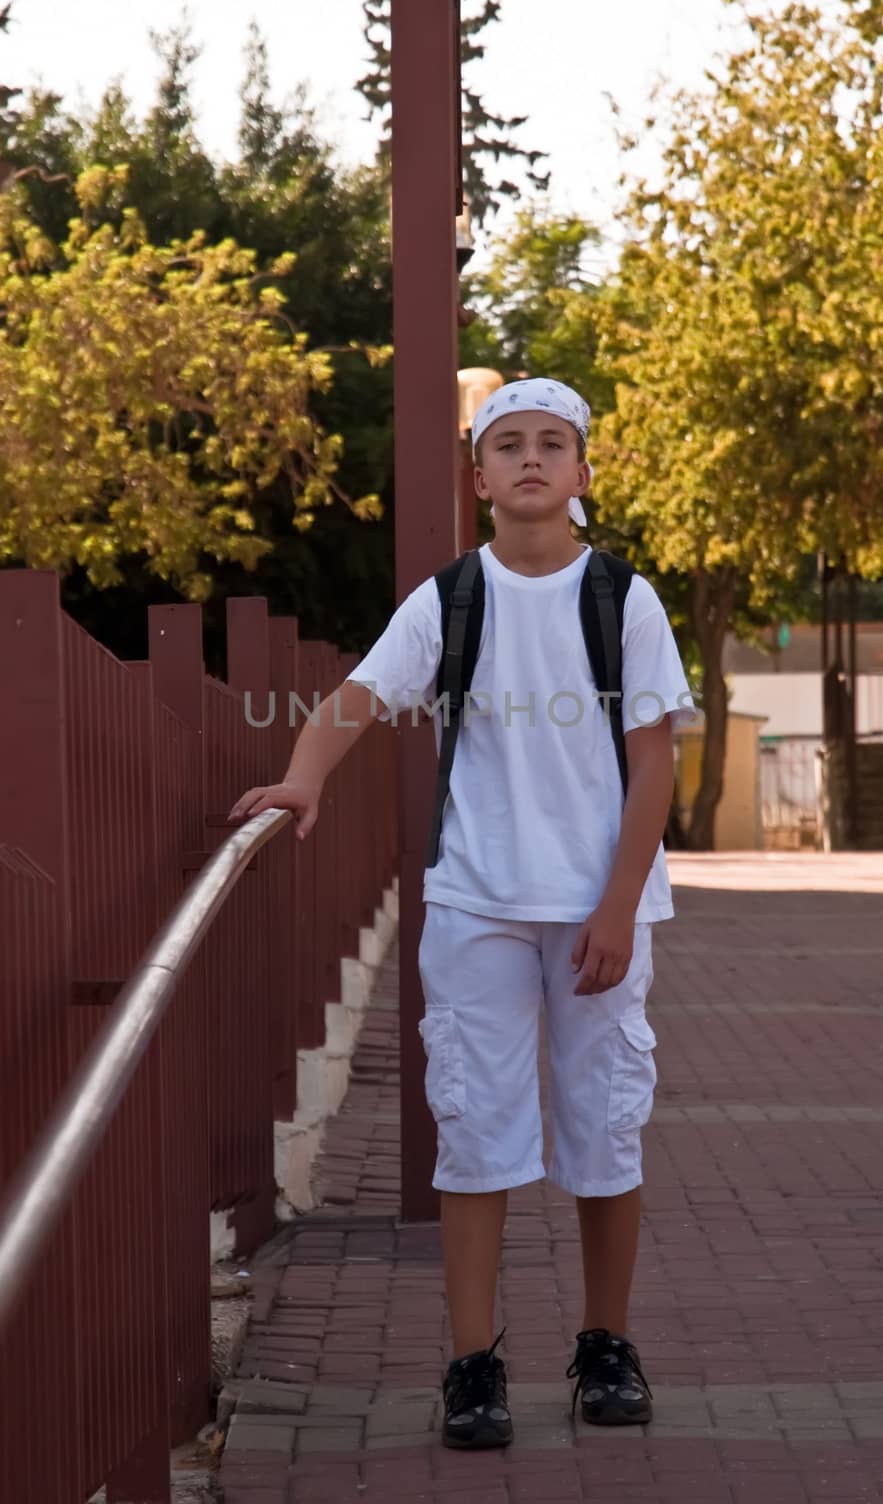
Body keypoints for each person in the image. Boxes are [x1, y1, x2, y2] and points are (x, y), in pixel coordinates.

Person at [228, 377, 696, 1451]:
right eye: (507, 445)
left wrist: (619, 904)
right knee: (475, 1132)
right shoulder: (449, 599)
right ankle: (473, 1363)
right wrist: (303, 777)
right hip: (475, 900)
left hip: (598, 908)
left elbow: (652, 756)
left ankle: (604, 1344)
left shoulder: (620, 597)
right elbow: (356, 698)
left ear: (581, 471)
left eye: (550, 444)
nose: (529, 460)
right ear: (477, 476)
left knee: (603, 1126)